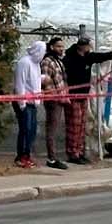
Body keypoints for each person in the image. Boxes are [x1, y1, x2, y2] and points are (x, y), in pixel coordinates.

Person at [62, 36, 112, 165]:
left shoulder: (87, 57)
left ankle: (80, 151)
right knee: (74, 126)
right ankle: (72, 152)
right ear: (82, 46)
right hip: (74, 95)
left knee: (82, 126)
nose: (89, 48)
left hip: (83, 95)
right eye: (87, 46)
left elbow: (100, 57)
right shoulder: (69, 58)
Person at [11, 40, 45, 168]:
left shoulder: (36, 64)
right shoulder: (24, 63)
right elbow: (20, 83)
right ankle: (21, 156)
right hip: (24, 102)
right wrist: (22, 103)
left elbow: (34, 81)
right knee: (25, 129)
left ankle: (27, 154)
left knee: (32, 130)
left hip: (32, 102)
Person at [40, 38, 69, 170]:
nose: (61, 49)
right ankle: (51, 158)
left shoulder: (58, 61)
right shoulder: (47, 62)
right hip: (52, 99)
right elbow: (44, 81)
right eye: (58, 46)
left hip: (60, 98)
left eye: (62, 47)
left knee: (54, 128)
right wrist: (53, 94)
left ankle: (53, 156)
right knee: (51, 129)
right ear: (51, 47)